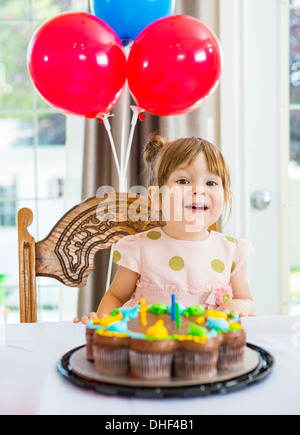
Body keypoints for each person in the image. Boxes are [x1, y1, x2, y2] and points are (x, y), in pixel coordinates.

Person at [74, 135, 255, 324]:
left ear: (224, 197)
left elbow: (248, 302)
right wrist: (105, 320)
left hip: (208, 348)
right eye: (184, 181)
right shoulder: (140, 248)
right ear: (157, 197)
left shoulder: (230, 251)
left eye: (211, 183)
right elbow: (116, 297)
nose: (199, 190)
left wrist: (240, 306)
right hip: (149, 345)